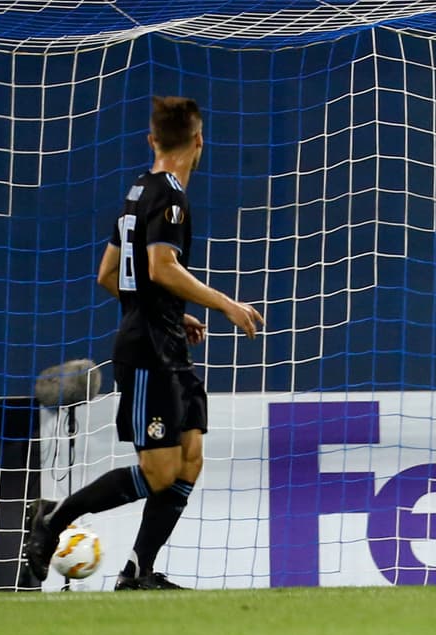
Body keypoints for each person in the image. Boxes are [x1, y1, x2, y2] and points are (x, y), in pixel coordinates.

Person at [24, 96, 264, 590]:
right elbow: (160, 267)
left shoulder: (138, 191)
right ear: (199, 141)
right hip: (149, 353)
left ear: (152, 139)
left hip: (165, 340)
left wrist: (167, 311)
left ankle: (138, 571)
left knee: (190, 457)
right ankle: (54, 520)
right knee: (159, 473)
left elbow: (108, 273)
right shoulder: (171, 195)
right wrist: (224, 305)